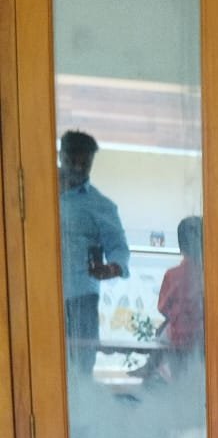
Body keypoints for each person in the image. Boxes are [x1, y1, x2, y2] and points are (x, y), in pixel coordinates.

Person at [58, 129, 130, 376]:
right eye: (72, 161)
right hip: (37, 295)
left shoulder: (101, 205)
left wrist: (113, 268)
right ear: (60, 156)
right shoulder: (36, 193)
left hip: (81, 296)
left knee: (81, 367)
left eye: (85, 163)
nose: (78, 168)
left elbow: (118, 247)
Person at [137, 216, 204, 382]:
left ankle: (150, 367)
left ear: (181, 246)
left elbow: (163, 307)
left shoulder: (172, 275)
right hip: (203, 335)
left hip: (178, 335)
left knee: (162, 337)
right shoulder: (210, 274)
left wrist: (178, 315)